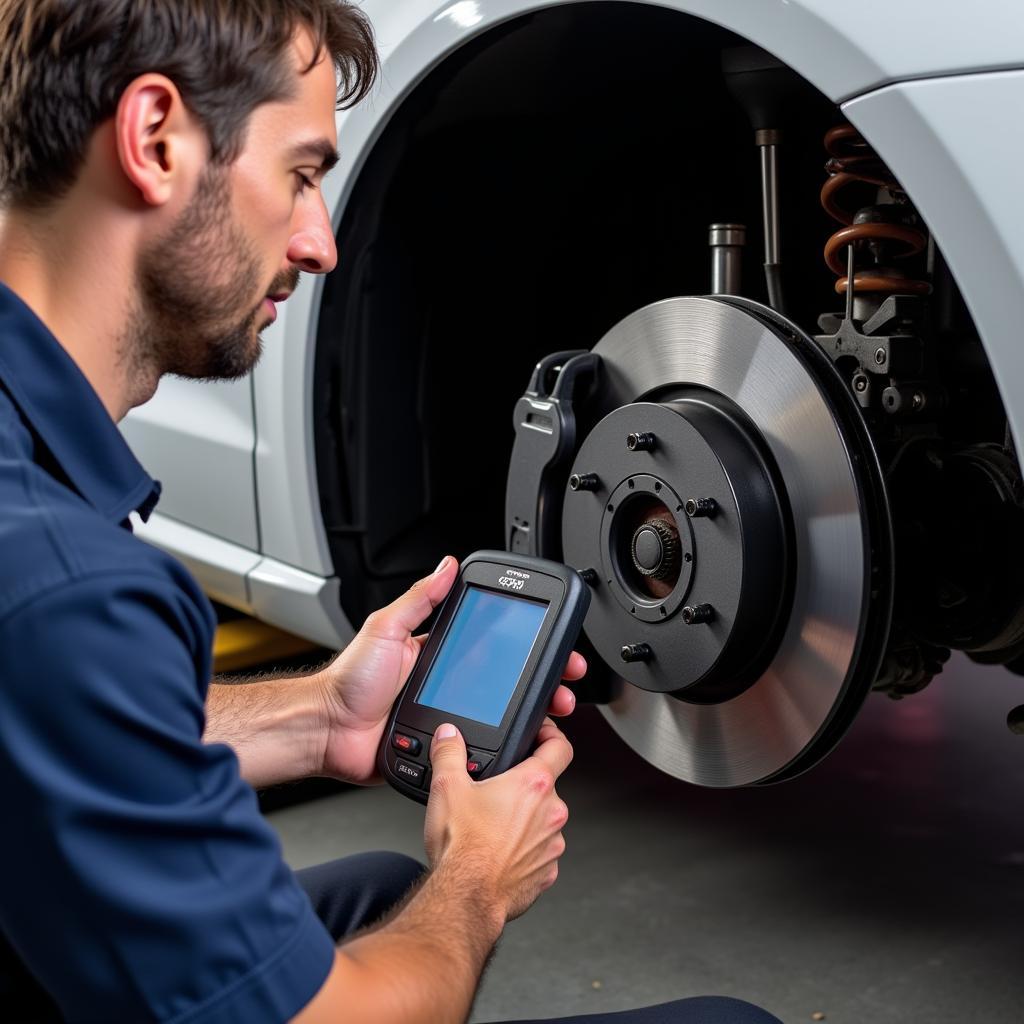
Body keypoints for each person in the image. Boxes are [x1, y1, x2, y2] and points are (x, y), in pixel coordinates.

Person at [0, 2, 782, 1021]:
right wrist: (477, 877)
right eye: (301, 174)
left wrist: (320, 714)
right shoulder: (66, 587)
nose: (322, 242)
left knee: (376, 888)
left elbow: (62, 721)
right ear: (155, 140)